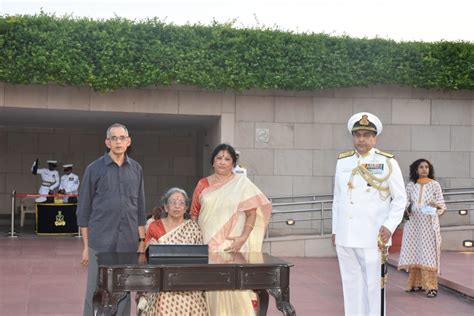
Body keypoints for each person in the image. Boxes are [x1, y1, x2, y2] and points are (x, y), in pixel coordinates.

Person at [332, 112, 407, 316]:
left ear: (374, 138)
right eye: (358, 135)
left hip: (373, 236)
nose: (361, 139)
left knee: (374, 288)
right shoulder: (343, 162)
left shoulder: (387, 162)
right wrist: (335, 229)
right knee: (351, 286)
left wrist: (389, 226)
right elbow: (338, 199)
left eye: (366, 135)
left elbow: (400, 199)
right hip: (346, 235)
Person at [191, 143, 271, 316]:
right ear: (212, 161)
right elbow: (194, 214)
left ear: (233, 164)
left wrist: (243, 237)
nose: (222, 162)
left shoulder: (242, 184)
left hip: (234, 244)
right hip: (207, 245)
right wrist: (196, 242)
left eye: (227, 159)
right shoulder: (202, 184)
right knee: (212, 288)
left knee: (237, 289)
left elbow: (252, 213)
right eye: (219, 158)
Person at [76, 123, 146, 316]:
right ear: (107, 142)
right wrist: (85, 247)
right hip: (100, 242)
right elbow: (84, 210)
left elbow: (140, 208)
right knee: (95, 290)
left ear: (128, 141)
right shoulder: (94, 169)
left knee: (123, 290)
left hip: (127, 242)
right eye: (113, 138)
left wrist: (141, 241)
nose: (118, 141)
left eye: (122, 137)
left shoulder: (136, 169)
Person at [137, 188, 208, 316]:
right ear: (165, 207)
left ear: (186, 208)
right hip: (161, 282)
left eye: (181, 203)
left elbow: (199, 259)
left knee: (194, 301)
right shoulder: (155, 226)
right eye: (172, 202)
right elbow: (148, 258)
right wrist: (150, 248)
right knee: (164, 299)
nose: (177, 206)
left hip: (188, 282)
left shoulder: (193, 228)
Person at [398, 159, 446, 298]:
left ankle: (431, 287)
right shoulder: (411, 186)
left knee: (428, 254)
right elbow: (405, 201)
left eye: (427, 167)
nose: (424, 169)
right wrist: (406, 208)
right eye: (421, 167)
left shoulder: (434, 185)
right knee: (415, 251)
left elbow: (441, 204)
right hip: (413, 225)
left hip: (428, 225)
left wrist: (434, 204)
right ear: (415, 170)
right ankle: (415, 283)